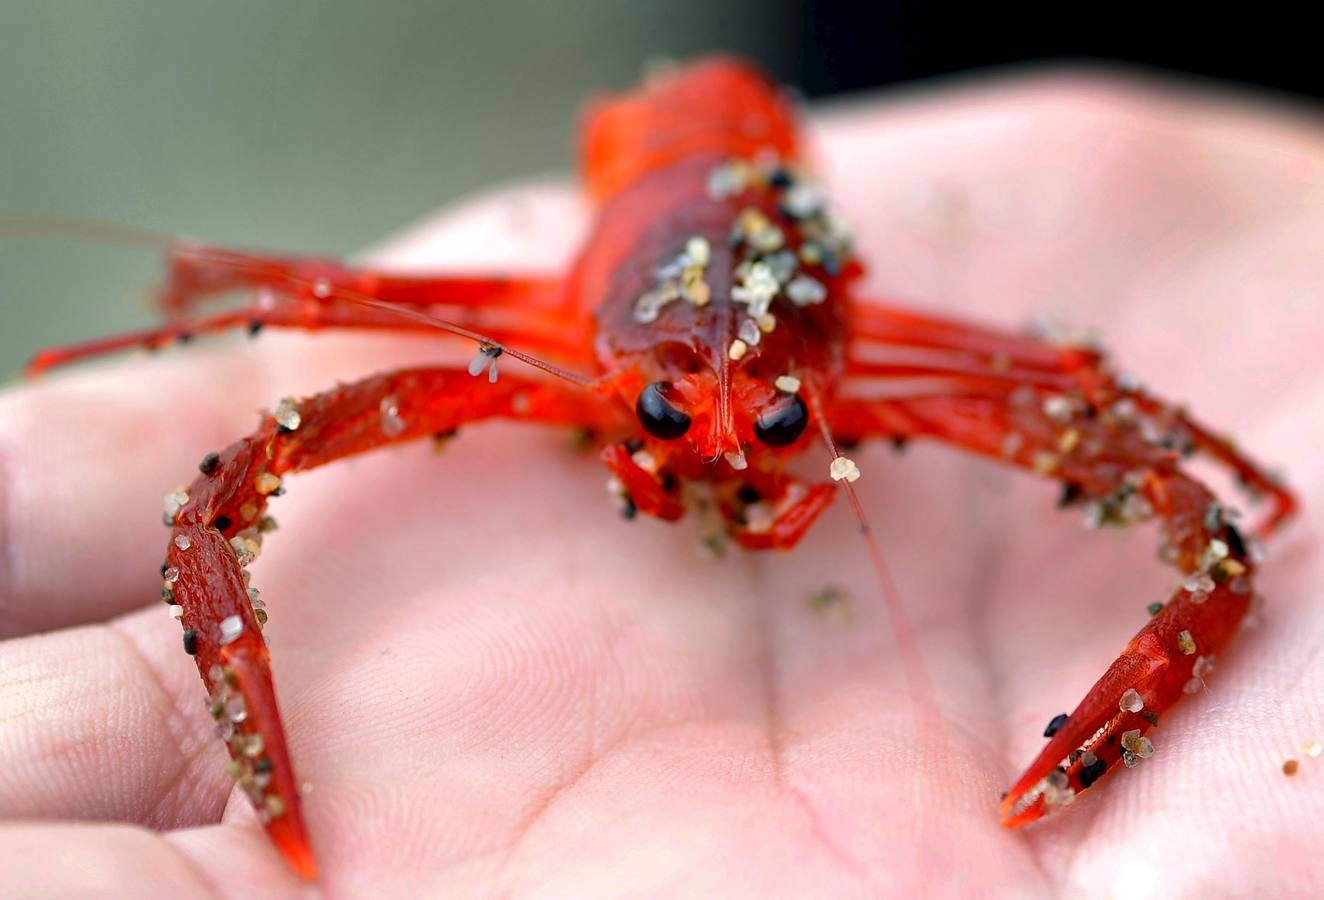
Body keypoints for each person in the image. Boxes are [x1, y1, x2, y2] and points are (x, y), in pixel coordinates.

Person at [0, 71, 1320, 897]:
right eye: (658, 412)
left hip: (763, 152)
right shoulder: (561, 341)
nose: (726, 454)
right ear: (607, 360)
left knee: (1199, 533)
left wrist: (1221, 479)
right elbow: (234, 471)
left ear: (823, 383)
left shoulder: (843, 373)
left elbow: (1194, 521)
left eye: (785, 422)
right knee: (235, 479)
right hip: (673, 157)